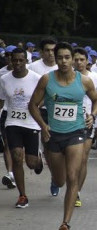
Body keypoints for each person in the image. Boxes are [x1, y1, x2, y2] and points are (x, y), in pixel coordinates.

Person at [28, 42, 97, 230]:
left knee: (72, 177)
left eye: (67, 57)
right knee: (60, 180)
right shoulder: (47, 79)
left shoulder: (84, 81)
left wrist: (92, 116)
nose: (63, 61)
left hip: (76, 133)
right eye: (60, 57)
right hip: (53, 135)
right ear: (55, 58)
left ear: (72, 59)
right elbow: (32, 105)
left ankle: (65, 222)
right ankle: (54, 179)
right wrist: (43, 126)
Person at [0, 48, 43, 208]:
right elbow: (1, 100)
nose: (17, 63)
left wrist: (36, 107)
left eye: (21, 60)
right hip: (12, 122)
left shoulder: (36, 78)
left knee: (31, 163)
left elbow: (43, 99)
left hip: (31, 122)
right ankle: (22, 196)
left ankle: (38, 160)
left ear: (26, 61)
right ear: (10, 61)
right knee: (17, 157)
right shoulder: (4, 79)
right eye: (14, 60)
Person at [73, 47, 97, 207]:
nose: (79, 62)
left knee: (82, 159)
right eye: (76, 59)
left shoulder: (95, 78)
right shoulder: (62, 77)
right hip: (65, 123)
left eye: (82, 59)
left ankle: (76, 192)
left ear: (88, 61)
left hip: (87, 122)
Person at [28, 37, 59, 196]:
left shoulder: (62, 66)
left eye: (53, 50)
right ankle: (39, 156)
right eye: (47, 50)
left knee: (53, 148)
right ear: (41, 52)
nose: (50, 53)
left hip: (57, 111)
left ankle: (55, 177)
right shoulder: (33, 67)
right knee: (46, 146)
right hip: (36, 111)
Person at [0, 45, 17, 189]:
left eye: (12, 55)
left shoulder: (28, 73)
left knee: (19, 148)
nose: (9, 58)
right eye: (7, 55)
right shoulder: (1, 74)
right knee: (7, 143)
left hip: (24, 114)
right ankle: (10, 173)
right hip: (6, 112)